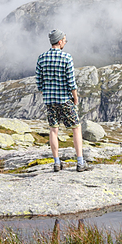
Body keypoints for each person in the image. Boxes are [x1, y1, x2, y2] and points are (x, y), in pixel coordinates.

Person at [36, 29, 91, 172]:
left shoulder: (41, 58)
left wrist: (48, 92)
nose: (65, 42)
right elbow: (71, 82)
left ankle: (56, 163)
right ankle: (80, 162)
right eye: (65, 40)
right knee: (76, 127)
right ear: (60, 41)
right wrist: (75, 98)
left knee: (53, 130)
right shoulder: (66, 58)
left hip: (50, 100)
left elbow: (39, 83)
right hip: (65, 99)